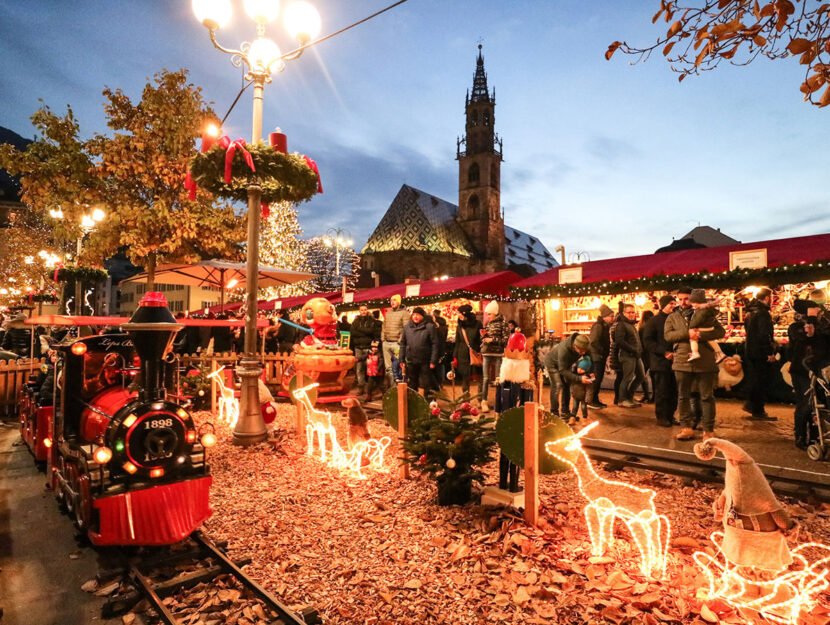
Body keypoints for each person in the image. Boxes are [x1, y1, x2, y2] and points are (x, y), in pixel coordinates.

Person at [664, 287, 725, 441]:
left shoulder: (704, 313)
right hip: (682, 361)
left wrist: (701, 335)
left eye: (687, 299)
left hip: (705, 361)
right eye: (681, 299)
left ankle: (708, 431)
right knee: (683, 396)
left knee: (707, 397)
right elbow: (668, 335)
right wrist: (687, 334)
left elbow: (720, 332)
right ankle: (686, 428)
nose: (684, 302)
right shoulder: (673, 317)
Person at [642, 295, 679, 427]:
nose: (673, 306)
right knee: (662, 391)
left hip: (676, 362)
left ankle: (671, 415)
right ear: (663, 305)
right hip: (660, 362)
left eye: (674, 303)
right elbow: (647, 341)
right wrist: (663, 352)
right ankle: (662, 417)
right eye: (670, 303)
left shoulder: (677, 319)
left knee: (674, 392)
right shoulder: (654, 321)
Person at [744, 287, 778, 421]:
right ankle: (758, 409)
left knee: (756, 378)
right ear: (767, 298)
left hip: (751, 350)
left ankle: (752, 405)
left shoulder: (750, 312)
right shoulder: (763, 313)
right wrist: (769, 351)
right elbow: (765, 334)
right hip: (760, 351)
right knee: (762, 380)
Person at [399, 307, 439, 394]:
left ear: (422, 316)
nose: (415, 317)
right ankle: (414, 403)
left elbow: (435, 344)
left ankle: (427, 402)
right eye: (414, 315)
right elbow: (403, 344)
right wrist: (401, 359)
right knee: (412, 383)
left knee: (425, 383)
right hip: (411, 360)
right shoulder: (407, 328)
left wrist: (433, 361)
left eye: (418, 315)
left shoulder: (429, 327)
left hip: (425, 360)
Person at [480, 301, 510, 413]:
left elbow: (506, 340)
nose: (488, 316)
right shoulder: (488, 324)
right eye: (487, 314)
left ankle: (499, 402)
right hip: (486, 353)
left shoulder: (504, 324)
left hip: (498, 354)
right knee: (485, 378)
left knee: (498, 379)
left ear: (495, 313)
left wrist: (493, 340)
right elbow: (485, 338)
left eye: (489, 314)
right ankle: (484, 401)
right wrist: (484, 337)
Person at [557, 333, 593, 421]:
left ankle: (571, 414)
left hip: (582, 394)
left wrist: (591, 373)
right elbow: (562, 370)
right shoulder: (564, 350)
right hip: (557, 365)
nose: (583, 353)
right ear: (575, 346)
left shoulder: (585, 347)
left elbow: (592, 361)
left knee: (567, 388)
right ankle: (557, 413)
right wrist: (579, 378)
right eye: (581, 351)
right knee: (558, 387)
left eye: (585, 350)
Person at [614, 304, 645, 408]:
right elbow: (619, 341)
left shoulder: (631, 324)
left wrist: (639, 350)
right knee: (627, 377)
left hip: (636, 355)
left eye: (633, 312)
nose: (631, 314)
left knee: (641, 376)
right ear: (624, 313)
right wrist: (633, 350)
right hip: (627, 355)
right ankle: (622, 399)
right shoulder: (621, 325)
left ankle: (629, 396)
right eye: (629, 312)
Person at [687, 290, 726, 363]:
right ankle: (720, 353)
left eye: (694, 303)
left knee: (693, 339)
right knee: (711, 340)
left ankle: (695, 352)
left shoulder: (701, 311)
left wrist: (691, 326)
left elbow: (696, 320)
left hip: (703, 328)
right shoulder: (707, 308)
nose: (693, 305)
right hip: (709, 327)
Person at [587, 304, 614, 409]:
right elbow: (593, 341)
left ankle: (595, 399)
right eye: (611, 316)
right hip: (597, 357)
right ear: (605, 316)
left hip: (600, 357)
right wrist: (602, 352)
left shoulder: (604, 326)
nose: (613, 318)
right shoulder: (598, 326)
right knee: (596, 379)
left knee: (598, 379)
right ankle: (591, 400)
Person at [453, 304, 482, 397]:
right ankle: (466, 399)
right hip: (463, 354)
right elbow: (457, 342)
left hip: (475, 353)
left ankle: (480, 399)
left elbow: (481, 339)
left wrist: (479, 351)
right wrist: (455, 356)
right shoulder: (459, 326)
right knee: (465, 377)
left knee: (480, 377)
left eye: (459, 313)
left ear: (465, 314)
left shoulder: (477, 324)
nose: (458, 315)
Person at [381, 295, 409, 387]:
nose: (392, 302)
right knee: (388, 368)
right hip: (386, 343)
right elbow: (384, 326)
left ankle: (399, 387)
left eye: (394, 300)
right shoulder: (388, 313)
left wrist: (400, 340)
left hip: (397, 344)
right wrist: (383, 339)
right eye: (391, 300)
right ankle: (392, 387)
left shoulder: (404, 313)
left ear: (399, 301)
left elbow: (406, 328)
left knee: (398, 366)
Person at [350, 304, 378, 396]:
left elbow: (371, 332)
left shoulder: (371, 320)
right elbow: (353, 333)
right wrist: (365, 332)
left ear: (367, 310)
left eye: (365, 310)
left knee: (369, 368)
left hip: (367, 347)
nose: (363, 311)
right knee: (359, 369)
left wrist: (360, 330)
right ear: (359, 311)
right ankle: (361, 387)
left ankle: (370, 389)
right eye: (361, 310)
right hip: (358, 347)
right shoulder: (356, 321)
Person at [569, 352, 595, 425]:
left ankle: (585, 419)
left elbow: (590, 388)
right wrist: (572, 392)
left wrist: (588, 398)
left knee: (583, 408)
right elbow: (572, 385)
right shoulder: (575, 376)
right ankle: (572, 417)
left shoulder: (587, 378)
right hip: (575, 395)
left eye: (582, 369)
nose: (580, 370)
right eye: (579, 368)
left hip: (583, 397)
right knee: (574, 407)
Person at [638, 309, 654, 402]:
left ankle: (646, 394)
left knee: (642, 375)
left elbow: (640, 342)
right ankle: (654, 396)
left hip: (644, 354)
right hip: (653, 353)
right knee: (654, 376)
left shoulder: (641, 328)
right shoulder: (653, 327)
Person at [431, 309, 449, 391]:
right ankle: (441, 383)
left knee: (436, 367)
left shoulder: (434, 326)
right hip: (442, 347)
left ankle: (436, 383)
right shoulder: (444, 325)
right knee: (441, 365)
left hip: (435, 348)